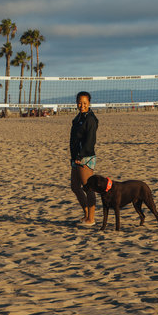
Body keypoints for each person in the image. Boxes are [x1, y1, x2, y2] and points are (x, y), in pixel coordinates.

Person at [69, 91, 99, 226]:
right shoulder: (78, 118)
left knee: (88, 188)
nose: (82, 105)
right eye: (79, 103)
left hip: (84, 157)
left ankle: (91, 219)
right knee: (75, 186)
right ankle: (86, 214)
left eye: (85, 103)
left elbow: (90, 141)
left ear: (89, 103)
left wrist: (80, 156)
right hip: (75, 157)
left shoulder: (90, 119)